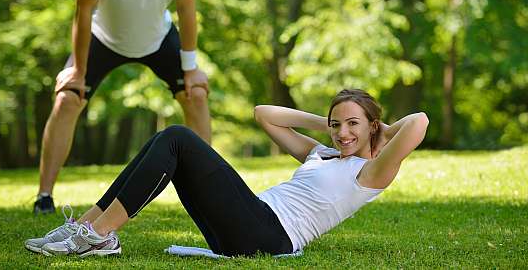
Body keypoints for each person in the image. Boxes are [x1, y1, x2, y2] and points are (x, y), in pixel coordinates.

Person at [25, 89, 429, 257]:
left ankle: (97, 238)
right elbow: (264, 116)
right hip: (247, 224)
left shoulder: (371, 172)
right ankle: (87, 226)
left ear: (372, 127)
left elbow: (419, 122)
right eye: (338, 124)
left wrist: (379, 128)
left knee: (179, 138)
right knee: (165, 141)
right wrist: (328, 122)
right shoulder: (322, 153)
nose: (344, 133)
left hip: (269, 234)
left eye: (353, 125)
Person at [33, 0, 211, 215]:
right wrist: (78, 71)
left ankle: (211, 192)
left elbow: (187, 10)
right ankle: (44, 196)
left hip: (157, 38)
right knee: (66, 99)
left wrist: (190, 67)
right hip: (104, 38)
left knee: (197, 93)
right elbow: (82, 13)